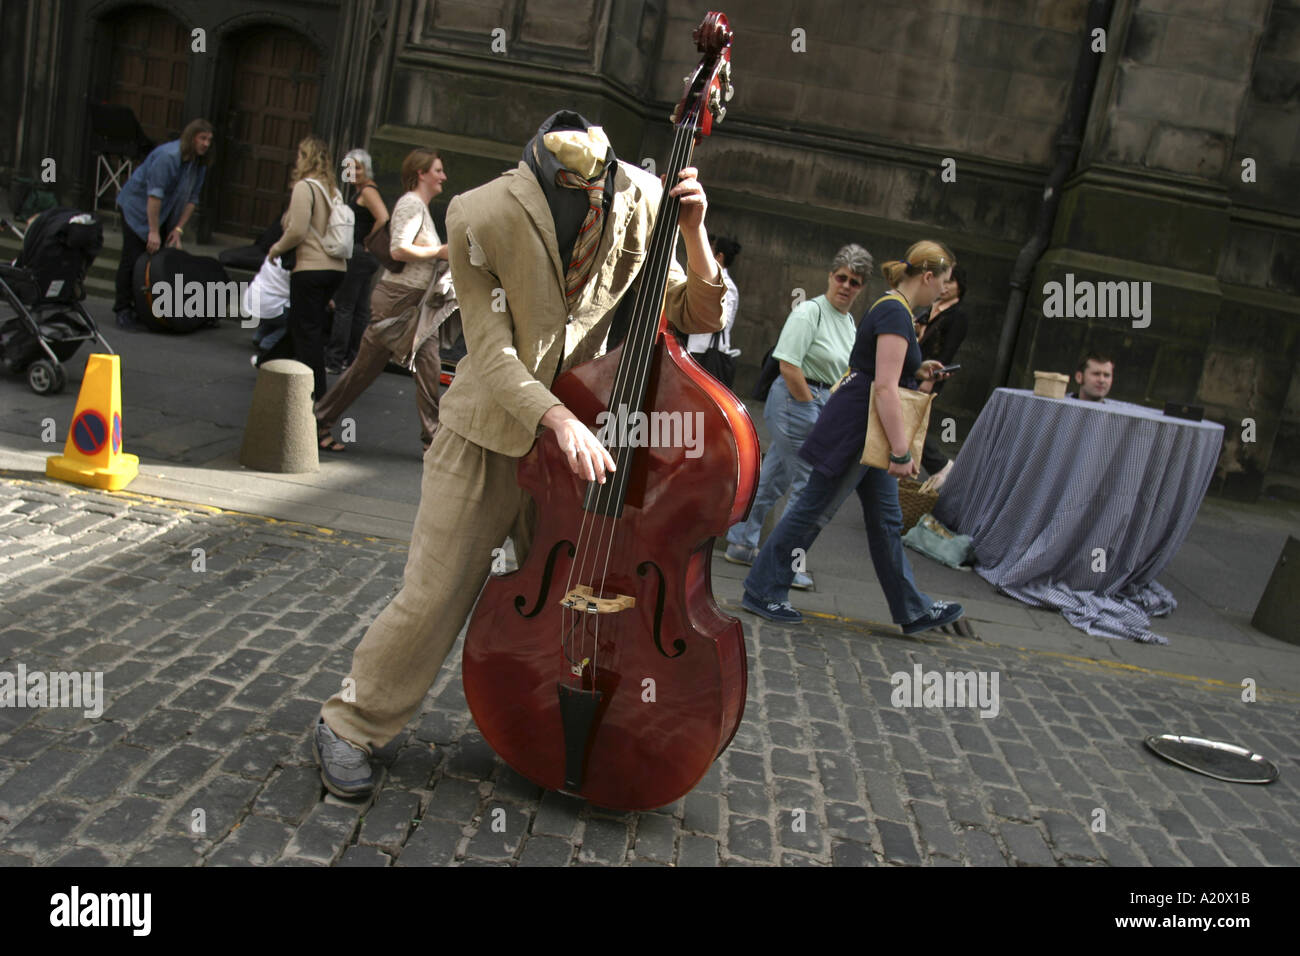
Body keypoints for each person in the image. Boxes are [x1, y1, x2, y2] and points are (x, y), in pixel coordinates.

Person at [310, 110, 727, 798]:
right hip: (487, 433)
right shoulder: (480, 212)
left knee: (573, 604)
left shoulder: (643, 197)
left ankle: (544, 731)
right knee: (434, 596)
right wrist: (555, 417)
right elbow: (492, 350)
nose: (593, 198)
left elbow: (697, 312)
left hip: (575, 453)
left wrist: (695, 232)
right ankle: (348, 724)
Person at [742, 239, 964, 636]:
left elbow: (882, 374)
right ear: (928, 277)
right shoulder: (895, 312)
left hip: (864, 429)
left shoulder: (894, 309)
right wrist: (901, 452)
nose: (943, 290)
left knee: (885, 520)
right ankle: (763, 589)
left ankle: (912, 608)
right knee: (814, 509)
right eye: (943, 282)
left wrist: (919, 368)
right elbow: (885, 388)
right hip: (859, 431)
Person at [724, 244, 871, 590]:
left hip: (820, 402)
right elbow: (789, 364)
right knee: (809, 485)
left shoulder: (849, 322)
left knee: (775, 476)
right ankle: (783, 563)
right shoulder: (809, 312)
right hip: (798, 399)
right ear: (830, 276)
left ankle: (742, 542)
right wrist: (808, 405)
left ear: (862, 288)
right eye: (841, 277)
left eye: (854, 282)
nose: (846, 286)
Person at [314, 149, 454, 453]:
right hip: (398, 300)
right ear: (421, 174)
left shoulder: (419, 206)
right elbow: (398, 249)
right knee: (364, 370)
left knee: (429, 366)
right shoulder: (411, 204)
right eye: (438, 170)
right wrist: (439, 252)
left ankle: (433, 441)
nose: (443, 176)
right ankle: (320, 419)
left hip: (414, 303)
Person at [258, 135, 348, 400]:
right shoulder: (333, 191)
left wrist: (276, 249)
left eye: (299, 155)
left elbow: (297, 230)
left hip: (310, 268)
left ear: (307, 158)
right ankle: (268, 364)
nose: (296, 160)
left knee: (307, 331)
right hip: (335, 268)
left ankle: (316, 391)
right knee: (301, 324)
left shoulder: (304, 187)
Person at [112, 118, 213, 331]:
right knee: (133, 257)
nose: (206, 144)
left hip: (165, 212)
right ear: (191, 137)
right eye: (202, 138)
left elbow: (192, 199)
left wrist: (178, 229)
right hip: (137, 209)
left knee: (157, 259)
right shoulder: (168, 157)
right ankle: (122, 308)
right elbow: (154, 196)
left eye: (209, 140)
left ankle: (143, 307)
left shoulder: (199, 164)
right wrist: (153, 231)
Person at [326, 149, 390, 374]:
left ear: (367, 170)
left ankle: (334, 359)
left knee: (345, 307)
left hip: (360, 255)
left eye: (358, 168)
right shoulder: (364, 190)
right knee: (360, 309)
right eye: (349, 168)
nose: (353, 172)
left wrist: (368, 240)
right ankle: (352, 358)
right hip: (366, 257)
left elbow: (383, 217)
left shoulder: (368, 191)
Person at [913, 263, 968, 486]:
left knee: (911, 422)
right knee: (908, 421)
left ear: (960, 286)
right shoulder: (931, 308)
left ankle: (941, 465)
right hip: (914, 369)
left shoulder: (957, 316)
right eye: (943, 282)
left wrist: (930, 380)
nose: (944, 287)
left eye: (950, 283)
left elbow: (947, 352)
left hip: (930, 374)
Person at [684, 235, 741, 382]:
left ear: (719, 257)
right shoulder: (710, 280)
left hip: (707, 352)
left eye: (710, 250)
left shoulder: (727, 286)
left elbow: (724, 321)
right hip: (698, 348)